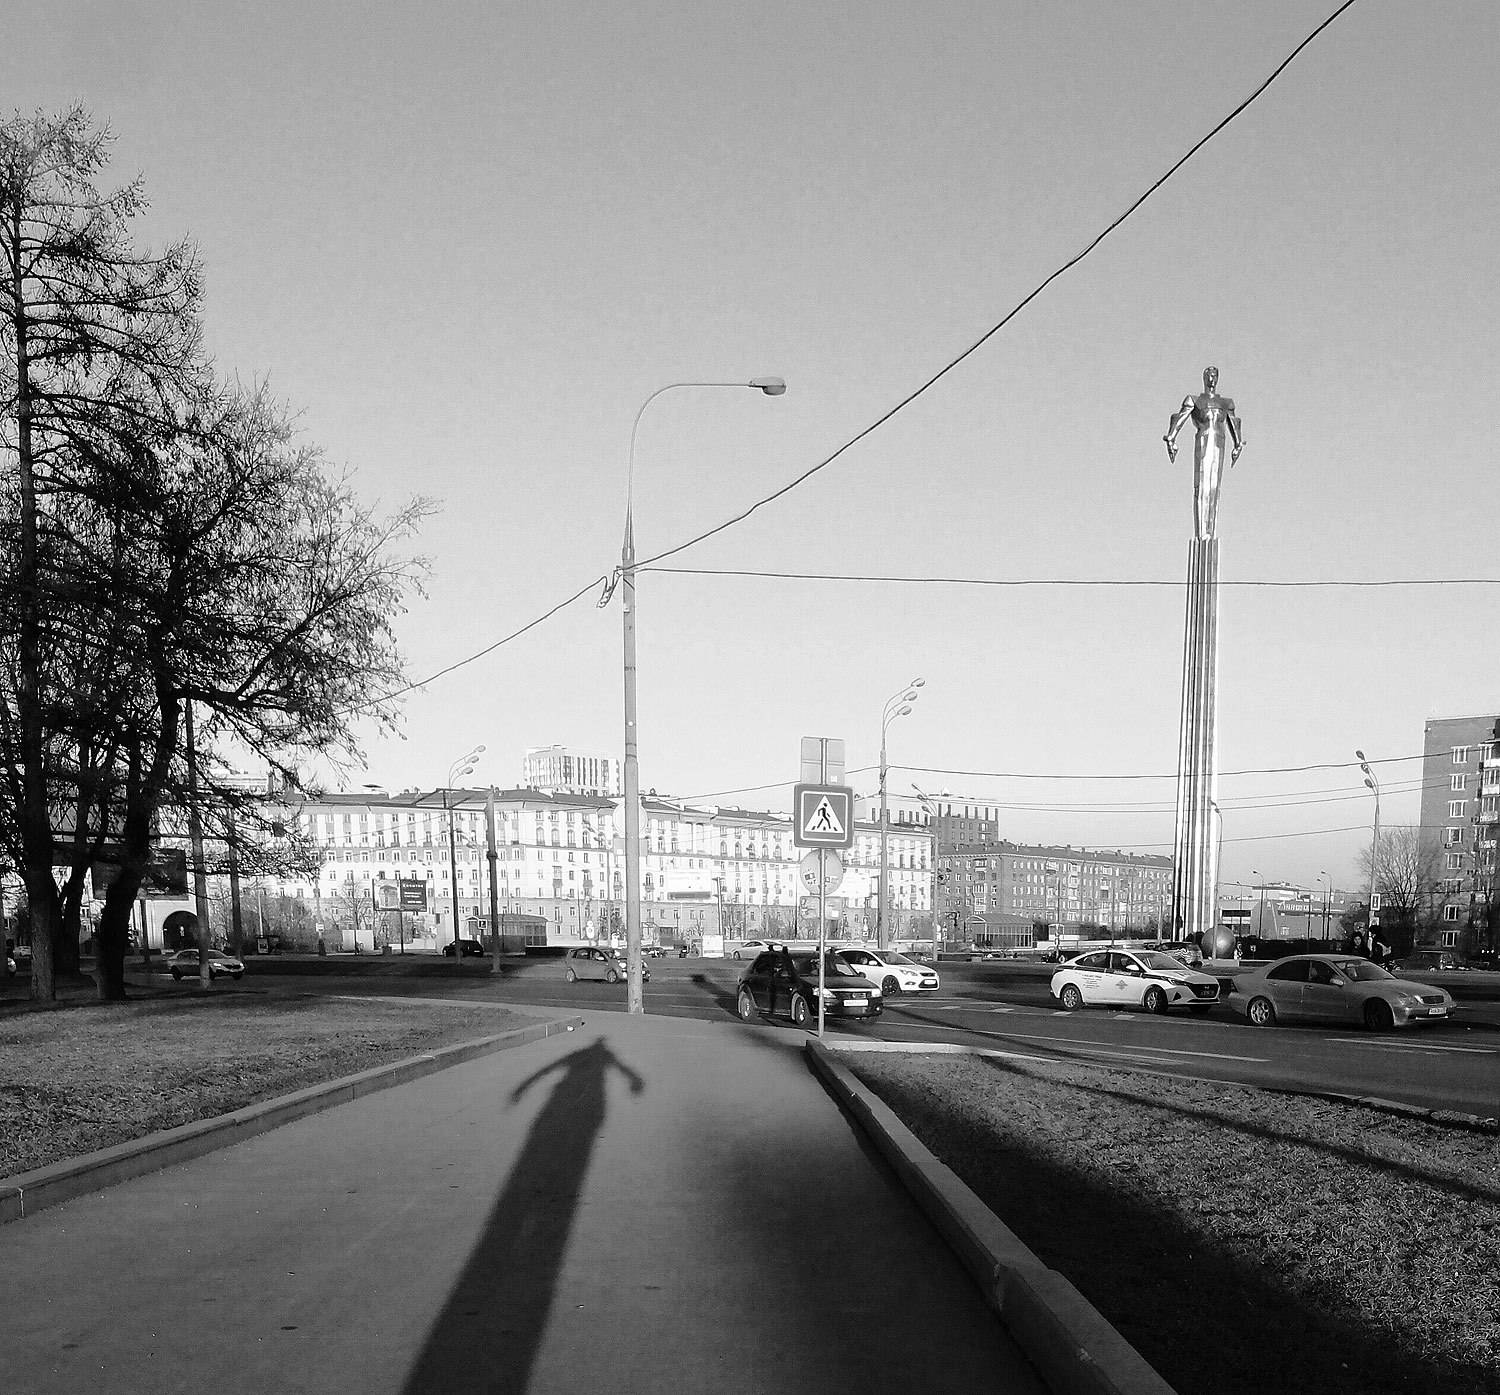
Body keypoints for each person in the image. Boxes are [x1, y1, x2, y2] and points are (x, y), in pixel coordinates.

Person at [1164, 366, 1245, 541]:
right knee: (1202, 487)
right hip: (1203, 439)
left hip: (1219, 443)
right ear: (1204, 378)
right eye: (1209, 375)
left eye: (1215, 376)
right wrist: (1171, 437)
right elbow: (1179, 418)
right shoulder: (1194, 400)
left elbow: (1234, 424)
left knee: (1214, 487)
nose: (1212, 379)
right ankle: (1201, 533)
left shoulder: (1226, 403)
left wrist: (1238, 444)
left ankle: (1211, 532)